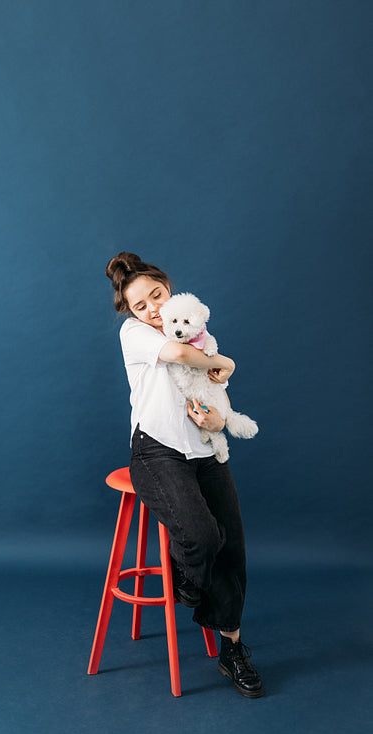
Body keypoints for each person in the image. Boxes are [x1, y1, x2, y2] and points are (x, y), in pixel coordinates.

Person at [105, 251, 264, 699]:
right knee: (202, 535)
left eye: (157, 295)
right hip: (157, 450)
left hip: (204, 449)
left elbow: (212, 392)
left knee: (231, 545)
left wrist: (217, 419)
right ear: (133, 313)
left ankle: (231, 650)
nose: (153, 308)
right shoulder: (135, 334)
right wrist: (227, 361)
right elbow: (177, 352)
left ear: (169, 290)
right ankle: (188, 579)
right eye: (142, 304)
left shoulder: (199, 334)